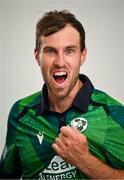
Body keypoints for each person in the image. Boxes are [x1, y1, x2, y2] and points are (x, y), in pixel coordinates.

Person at [0, 10, 124, 179]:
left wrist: (86, 161)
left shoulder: (113, 113)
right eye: (50, 51)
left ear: (82, 55)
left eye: (69, 51)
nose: (59, 62)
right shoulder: (20, 113)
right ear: (37, 56)